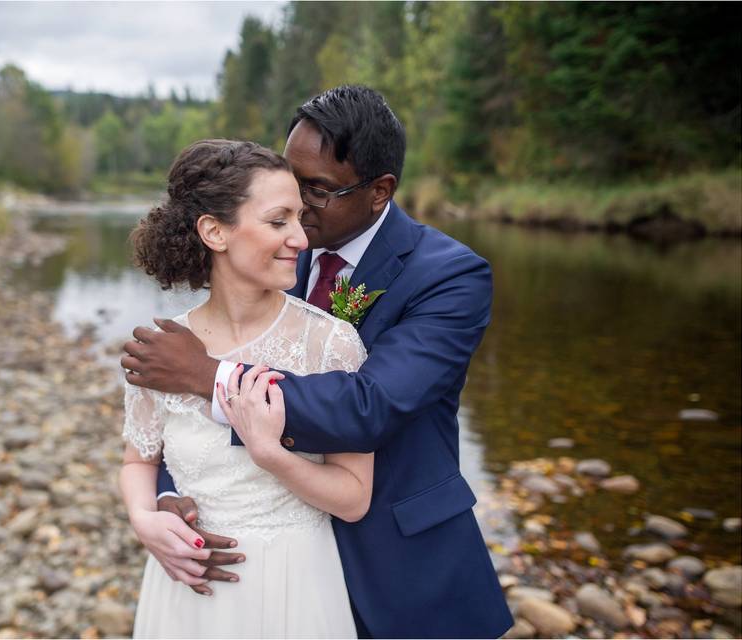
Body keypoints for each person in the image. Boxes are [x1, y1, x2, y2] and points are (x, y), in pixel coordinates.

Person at [122, 86, 514, 639]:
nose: (299, 211)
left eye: (319, 191)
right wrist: (168, 498)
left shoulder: (450, 276)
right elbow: (174, 421)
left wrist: (207, 375)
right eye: (291, 183)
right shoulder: (270, 251)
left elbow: (370, 406)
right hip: (246, 570)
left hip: (396, 563)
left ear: (380, 191)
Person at [120, 138, 374, 638]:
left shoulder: (331, 344)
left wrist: (273, 455)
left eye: (300, 219)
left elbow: (354, 498)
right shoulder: (164, 349)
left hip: (295, 587)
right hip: (187, 590)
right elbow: (139, 460)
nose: (301, 238)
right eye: (279, 221)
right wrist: (144, 519)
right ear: (215, 231)